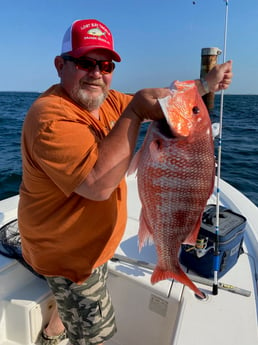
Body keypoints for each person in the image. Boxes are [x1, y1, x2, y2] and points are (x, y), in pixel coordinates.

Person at [18, 19, 232, 345]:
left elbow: (165, 102)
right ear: (61, 65)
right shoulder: (49, 116)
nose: (97, 73)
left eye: (105, 65)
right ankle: (54, 335)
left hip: (91, 246)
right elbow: (98, 185)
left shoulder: (107, 100)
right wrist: (134, 113)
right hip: (69, 257)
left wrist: (206, 84)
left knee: (72, 298)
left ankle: (55, 327)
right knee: (96, 336)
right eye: (86, 63)